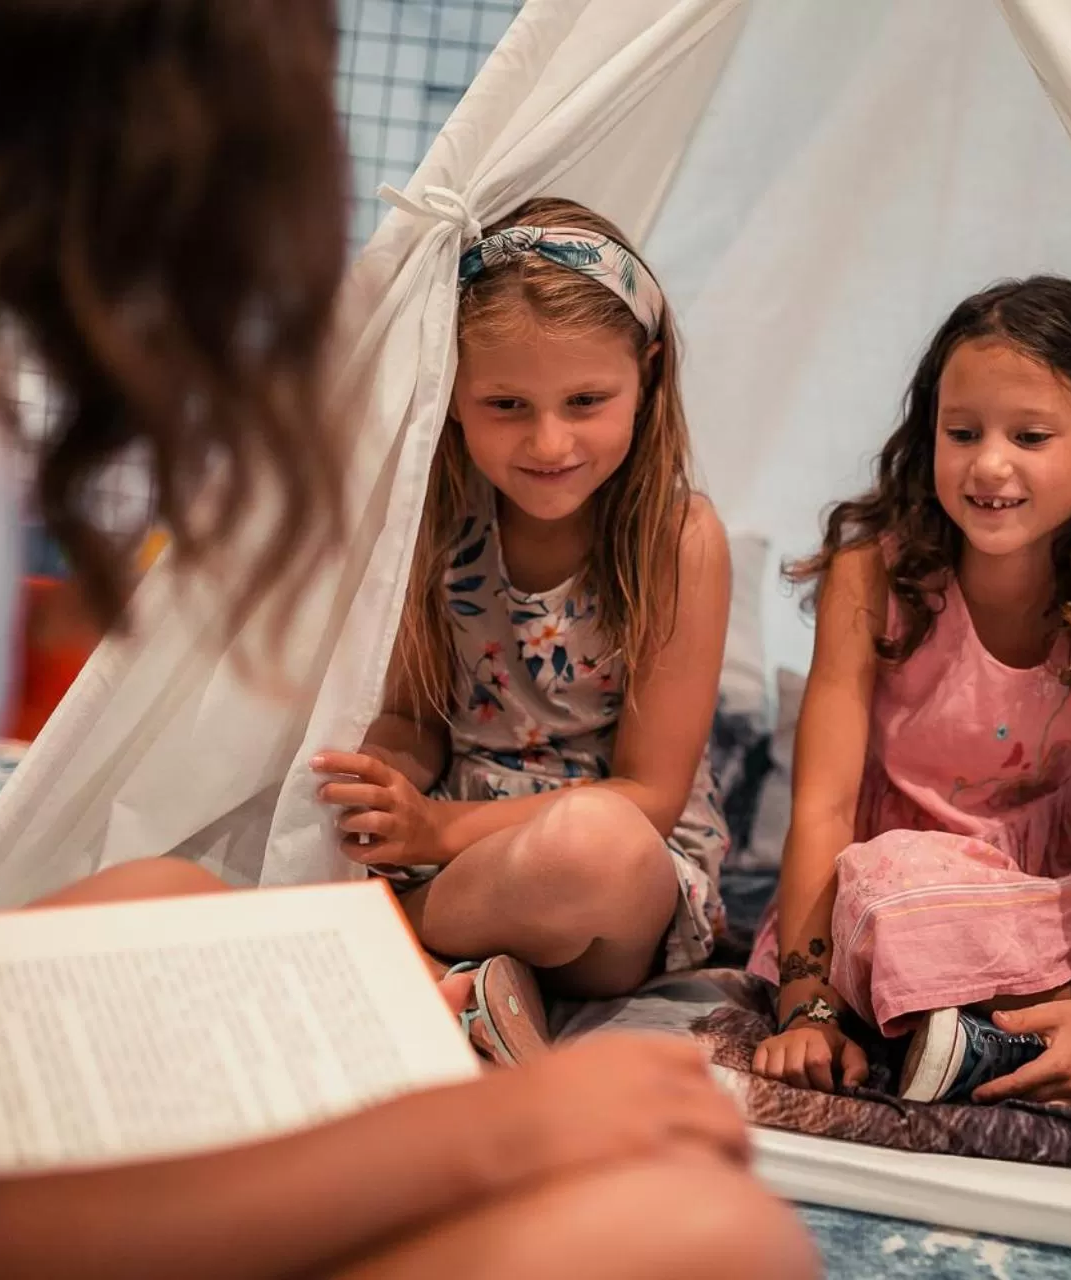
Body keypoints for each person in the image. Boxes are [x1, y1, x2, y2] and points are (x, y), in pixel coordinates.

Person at [0, 6, 816, 1278]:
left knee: (173, 896)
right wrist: (492, 1135)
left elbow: (645, 796)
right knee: (711, 1232)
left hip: (562, 857)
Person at [748, 278, 1071, 1109]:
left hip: (1050, 881)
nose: (990, 463)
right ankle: (985, 1018)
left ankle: (1019, 1027)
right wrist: (806, 1007)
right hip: (895, 885)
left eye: (1030, 436)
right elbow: (819, 807)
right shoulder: (874, 573)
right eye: (962, 433)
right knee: (894, 894)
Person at [311, 196, 733, 1057]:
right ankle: (489, 990)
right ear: (453, 397)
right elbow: (414, 717)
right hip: (463, 849)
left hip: (610, 883)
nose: (549, 441)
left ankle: (411, 941)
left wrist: (434, 836)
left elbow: (648, 797)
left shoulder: (679, 539)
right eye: (506, 404)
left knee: (594, 849)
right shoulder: (432, 515)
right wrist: (383, 793)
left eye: (585, 400)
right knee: (311, 806)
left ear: (646, 377)